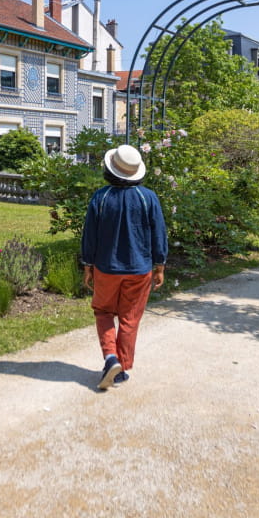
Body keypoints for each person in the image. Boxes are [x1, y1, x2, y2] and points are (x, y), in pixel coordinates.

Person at [81, 144, 168, 390]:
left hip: (106, 268)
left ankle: (111, 357)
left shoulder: (101, 197)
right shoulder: (148, 197)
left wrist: (87, 264)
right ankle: (121, 369)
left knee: (103, 311)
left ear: (111, 170)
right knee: (130, 319)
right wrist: (159, 264)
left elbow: (90, 235)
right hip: (140, 269)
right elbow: (158, 234)